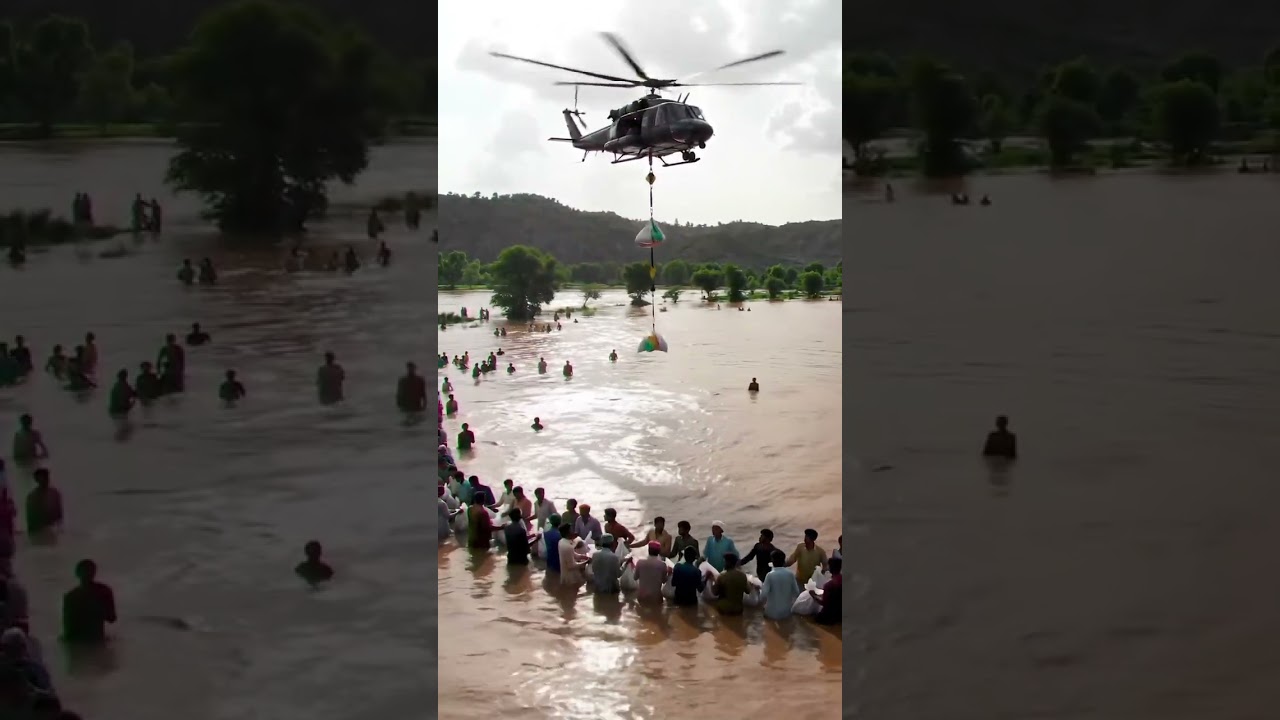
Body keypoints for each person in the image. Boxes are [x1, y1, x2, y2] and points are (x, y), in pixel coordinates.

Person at [61, 559, 116, 645]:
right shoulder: (104, 591)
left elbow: (68, 628)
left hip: (78, 642)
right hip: (97, 640)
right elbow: (112, 618)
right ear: (94, 573)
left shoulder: (71, 596)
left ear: (77, 574)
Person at [759, 549, 801, 620]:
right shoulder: (790, 574)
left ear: (772, 561)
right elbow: (797, 593)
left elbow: (763, 595)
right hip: (786, 613)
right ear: (783, 561)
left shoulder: (770, 575)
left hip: (771, 613)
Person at [25, 469, 64, 535]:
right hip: (39, 529)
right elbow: (30, 520)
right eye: (42, 478)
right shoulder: (32, 497)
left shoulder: (55, 494)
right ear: (36, 480)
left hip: (52, 528)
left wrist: (59, 530)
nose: (45, 480)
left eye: (46, 477)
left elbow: (59, 515)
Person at [813, 557, 842, 625]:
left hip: (829, 616)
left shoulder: (828, 585)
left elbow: (823, 603)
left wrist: (813, 595)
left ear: (830, 568)